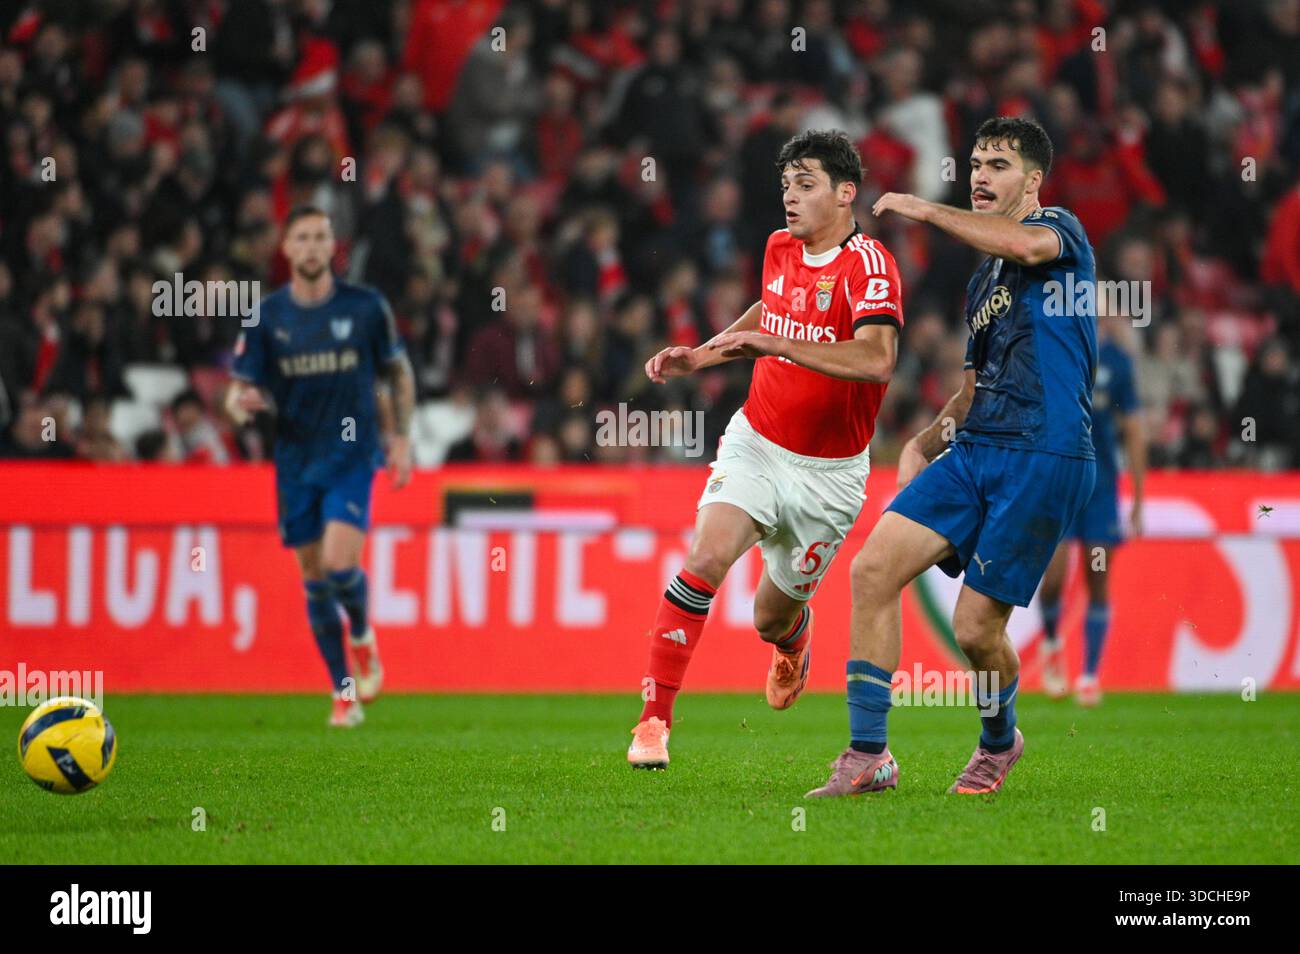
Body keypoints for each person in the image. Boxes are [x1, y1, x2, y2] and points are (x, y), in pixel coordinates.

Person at [807, 117, 1096, 797]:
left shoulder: (1060, 232)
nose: (980, 175)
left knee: (974, 630)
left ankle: (1000, 741)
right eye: (974, 164)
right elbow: (970, 391)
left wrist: (922, 208)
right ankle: (868, 755)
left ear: (1032, 180)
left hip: (1045, 450)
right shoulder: (982, 283)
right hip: (977, 448)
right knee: (873, 569)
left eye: (997, 165)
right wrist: (921, 441)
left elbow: (1027, 245)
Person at [626, 130, 903, 769]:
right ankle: (653, 723)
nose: (790, 198)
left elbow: (877, 358)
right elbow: (769, 310)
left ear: (844, 193)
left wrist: (779, 347)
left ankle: (793, 640)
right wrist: (704, 353)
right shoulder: (780, 248)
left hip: (829, 476)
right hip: (757, 440)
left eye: (805, 185)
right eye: (786, 185)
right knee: (705, 557)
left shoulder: (869, 264)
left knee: (769, 615)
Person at [225, 206, 414, 727]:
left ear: (333, 246)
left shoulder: (365, 308)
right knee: (312, 576)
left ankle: (361, 634)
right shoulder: (266, 317)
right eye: (301, 238)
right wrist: (239, 407)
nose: (311, 246)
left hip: (352, 455)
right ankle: (343, 691)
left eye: (320, 237)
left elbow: (398, 373)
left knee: (337, 562)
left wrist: (401, 438)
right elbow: (237, 391)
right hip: (295, 461)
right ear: (286, 249)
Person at [1039, 315, 1145, 706]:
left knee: (1097, 576)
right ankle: (1052, 643)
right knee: (1052, 576)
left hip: (1100, 487)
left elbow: (1133, 428)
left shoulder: (1118, 362)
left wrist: (1137, 499)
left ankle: (1089, 674)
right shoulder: (1058, 352)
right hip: (1060, 484)